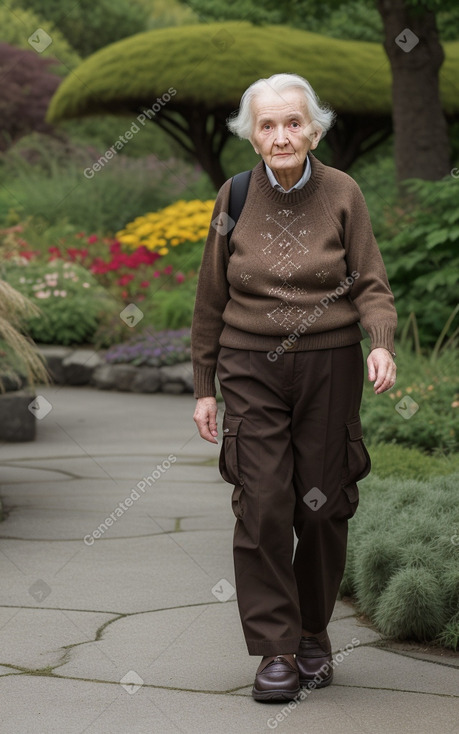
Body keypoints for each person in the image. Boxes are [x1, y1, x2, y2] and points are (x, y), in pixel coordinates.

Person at [191, 73, 397, 703]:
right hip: (251, 365)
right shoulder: (234, 196)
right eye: (267, 125)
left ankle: (313, 633)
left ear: (314, 129)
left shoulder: (343, 192)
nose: (281, 136)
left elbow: (369, 280)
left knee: (324, 506)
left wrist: (381, 340)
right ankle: (276, 649)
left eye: (293, 123)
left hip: (329, 364)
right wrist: (205, 385)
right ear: (252, 134)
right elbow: (211, 297)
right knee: (263, 505)